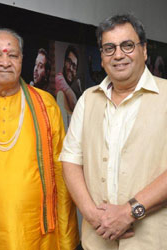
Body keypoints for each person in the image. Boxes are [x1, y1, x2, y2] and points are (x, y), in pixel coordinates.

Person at [60, 13, 167, 250]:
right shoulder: (88, 99)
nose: (118, 55)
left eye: (127, 45)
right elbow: (70, 160)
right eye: (109, 48)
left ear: (144, 50)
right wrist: (93, 215)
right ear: (101, 57)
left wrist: (130, 212)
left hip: (154, 242)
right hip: (96, 240)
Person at [0, 27, 79, 250]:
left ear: (21, 60)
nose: (5, 62)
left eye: (13, 55)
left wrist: (67, 240)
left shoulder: (46, 105)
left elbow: (62, 174)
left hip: (36, 236)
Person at [55, 45, 81, 112]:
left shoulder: (72, 86)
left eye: (74, 66)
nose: (70, 68)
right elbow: (74, 103)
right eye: (69, 62)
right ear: (64, 62)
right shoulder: (59, 79)